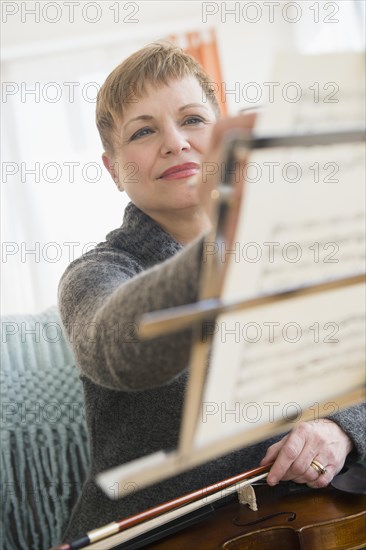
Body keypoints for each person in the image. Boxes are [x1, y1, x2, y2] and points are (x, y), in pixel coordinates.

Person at [58, 41, 365, 541]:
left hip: (298, 521)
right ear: (113, 168)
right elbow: (120, 348)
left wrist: (340, 428)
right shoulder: (93, 275)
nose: (175, 142)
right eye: (143, 130)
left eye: (193, 120)